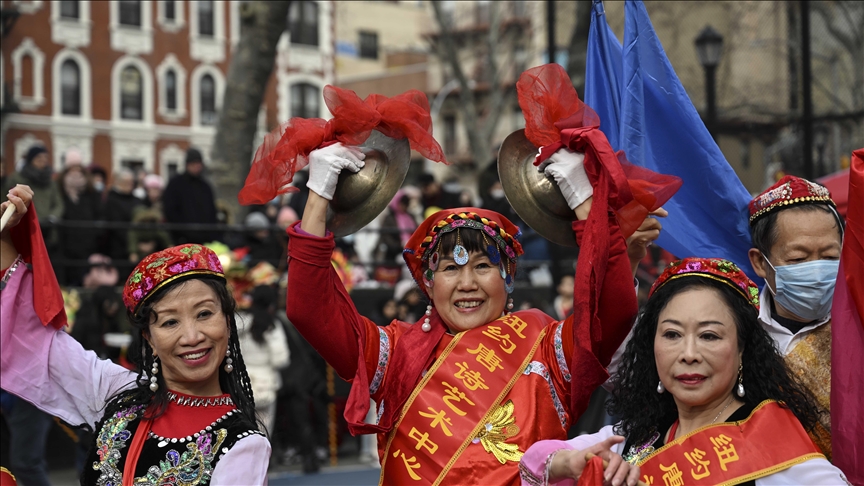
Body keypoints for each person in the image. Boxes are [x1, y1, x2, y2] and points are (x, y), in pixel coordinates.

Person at [284, 139, 660, 483]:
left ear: (508, 279)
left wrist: (583, 200)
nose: (467, 283)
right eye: (450, 268)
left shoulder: (546, 345)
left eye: (482, 266)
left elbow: (610, 310)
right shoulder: (397, 352)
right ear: (428, 284)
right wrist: (318, 195)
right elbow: (311, 310)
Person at [0, 185, 270, 485]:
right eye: (170, 323)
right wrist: (6, 236)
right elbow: (38, 341)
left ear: (228, 323)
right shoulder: (118, 395)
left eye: (204, 314)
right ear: (149, 339)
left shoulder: (245, 445)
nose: (192, 336)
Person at [519, 257, 847, 486]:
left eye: (709, 336)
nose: (688, 354)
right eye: (672, 335)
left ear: (743, 347)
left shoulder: (773, 446)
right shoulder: (637, 439)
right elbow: (532, 463)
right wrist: (571, 464)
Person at [746, 175, 842, 458]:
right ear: (760, 262)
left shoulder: (858, 323)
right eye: (798, 259)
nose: (816, 271)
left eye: (829, 256)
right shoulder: (733, 327)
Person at [236, 284, 290, 434]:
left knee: (242, 434)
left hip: (239, 383)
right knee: (263, 433)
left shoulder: (238, 321)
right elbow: (281, 359)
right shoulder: (271, 325)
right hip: (265, 383)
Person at [57, 156, 104, 285]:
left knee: (84, 273)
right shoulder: (60, 189)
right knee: (68, 273)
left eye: (78, 168)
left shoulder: (90, 190)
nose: (76, 172)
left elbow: (98, 212)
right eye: (72, 168)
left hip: (87, 239)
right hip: (67, 239)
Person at [162, 148, 220, 244]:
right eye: (194, 164)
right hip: (181, 238)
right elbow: (170, 210)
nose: (197, 167)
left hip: (205, 239)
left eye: (199, 164)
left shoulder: (205, 186)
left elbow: (211, 211)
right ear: (187, 164)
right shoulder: (175, 184)